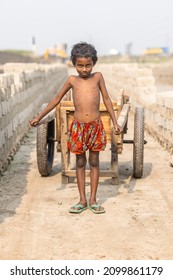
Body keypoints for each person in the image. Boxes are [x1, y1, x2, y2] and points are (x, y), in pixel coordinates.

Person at [29, 42, 122, 214]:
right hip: (78, 127)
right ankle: (82, 200)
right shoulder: (72, 80)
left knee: (94, 162)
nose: (84, 69)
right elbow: (56, 99)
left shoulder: (98, 77)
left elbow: (107, 100)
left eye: (88, 65)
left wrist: (115, 122)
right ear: (74, 64)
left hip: (95, 127)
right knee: (80, 162)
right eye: (80, 65)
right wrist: (39, 117)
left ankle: (93, 200)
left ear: (94, 63)